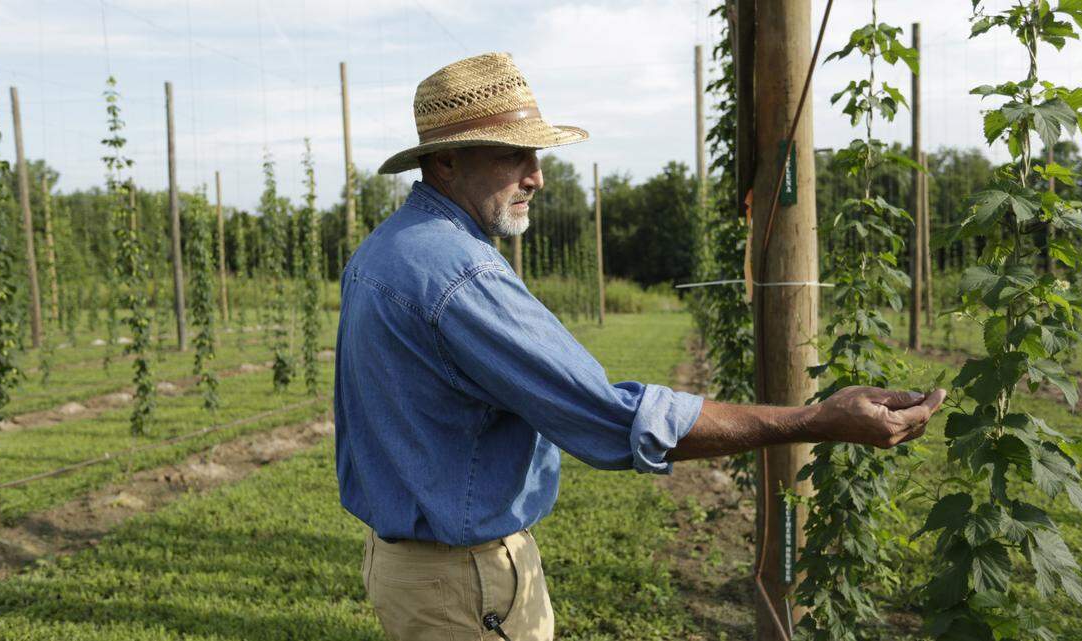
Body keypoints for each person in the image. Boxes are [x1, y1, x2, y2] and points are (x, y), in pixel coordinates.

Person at [333, 52, 945, 641]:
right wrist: (816, 419)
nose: (537, 177)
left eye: (536, 153)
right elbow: (611, 418)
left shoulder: (383, 251)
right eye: (512, 155)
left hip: (408, 570)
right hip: (464, 586)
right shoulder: (460, 274)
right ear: (444, 164)